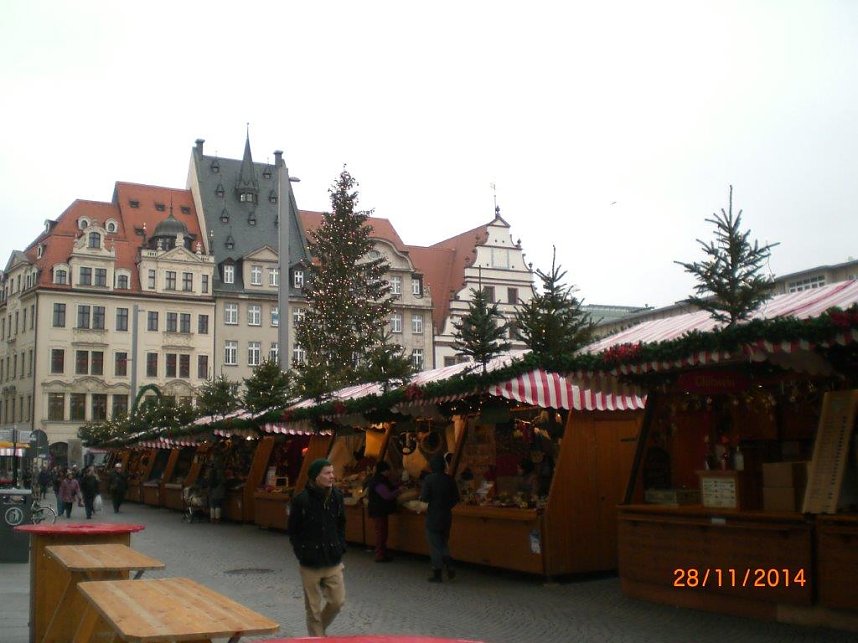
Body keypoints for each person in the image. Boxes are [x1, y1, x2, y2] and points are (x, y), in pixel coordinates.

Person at [288, 458, 346, 637]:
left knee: (337, 602)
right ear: (316, 477)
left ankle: (317, 631)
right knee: (313, 609)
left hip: (332, 559)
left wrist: (340, 545)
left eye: (332, 472)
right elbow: (293, 530)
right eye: (327, 473)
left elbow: (341, 523)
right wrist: (302, 552)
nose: (332, 476)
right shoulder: (301, 500)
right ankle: (317, 638)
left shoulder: (337, 496)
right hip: (310, 562)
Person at [420, 453, 460, 582]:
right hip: (446, 515)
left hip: (433, 514)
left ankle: (438, 572)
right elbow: (456, 498)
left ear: (432, 467)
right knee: (443, 542)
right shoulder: (450, 479)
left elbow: (424, 497)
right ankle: (449, 562)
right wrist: (447, 505)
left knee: (435, 545)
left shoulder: (429, 480)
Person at [366, 461, 402, 562]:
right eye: (389, 470)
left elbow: (389, 487)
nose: (390, 472)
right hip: (379, 511)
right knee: (381, 533)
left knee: (382, 533)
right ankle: (379, 555)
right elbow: (387, 495)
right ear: (385, 470)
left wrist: (398, 485)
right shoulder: (378, 481)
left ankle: (382, 553)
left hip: (379, 510)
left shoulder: (379, 480)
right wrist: (398, 491)